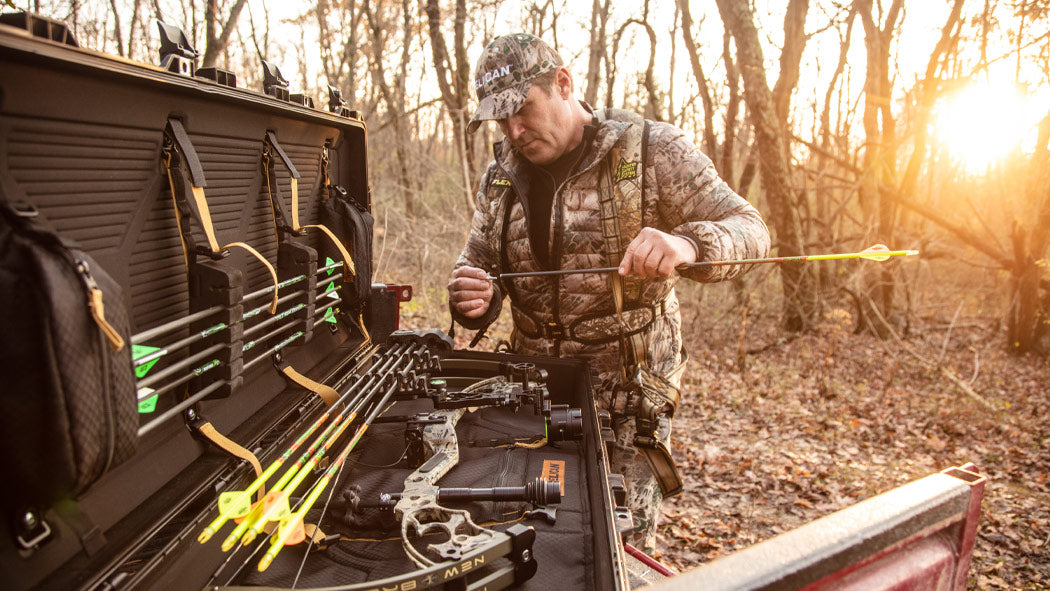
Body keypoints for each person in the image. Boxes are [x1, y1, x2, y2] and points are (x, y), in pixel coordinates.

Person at [447, 32, 770, 553]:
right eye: (500, 118)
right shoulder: (498, 177)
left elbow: (750, 229)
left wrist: (687, 244)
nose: (514, 129)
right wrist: (471, 296)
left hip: (626, 403)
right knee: (537, 544)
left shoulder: (649, 150)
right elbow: (477, 265)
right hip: (533, 395)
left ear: (564, 84)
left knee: (617, 553)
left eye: (523, 109)